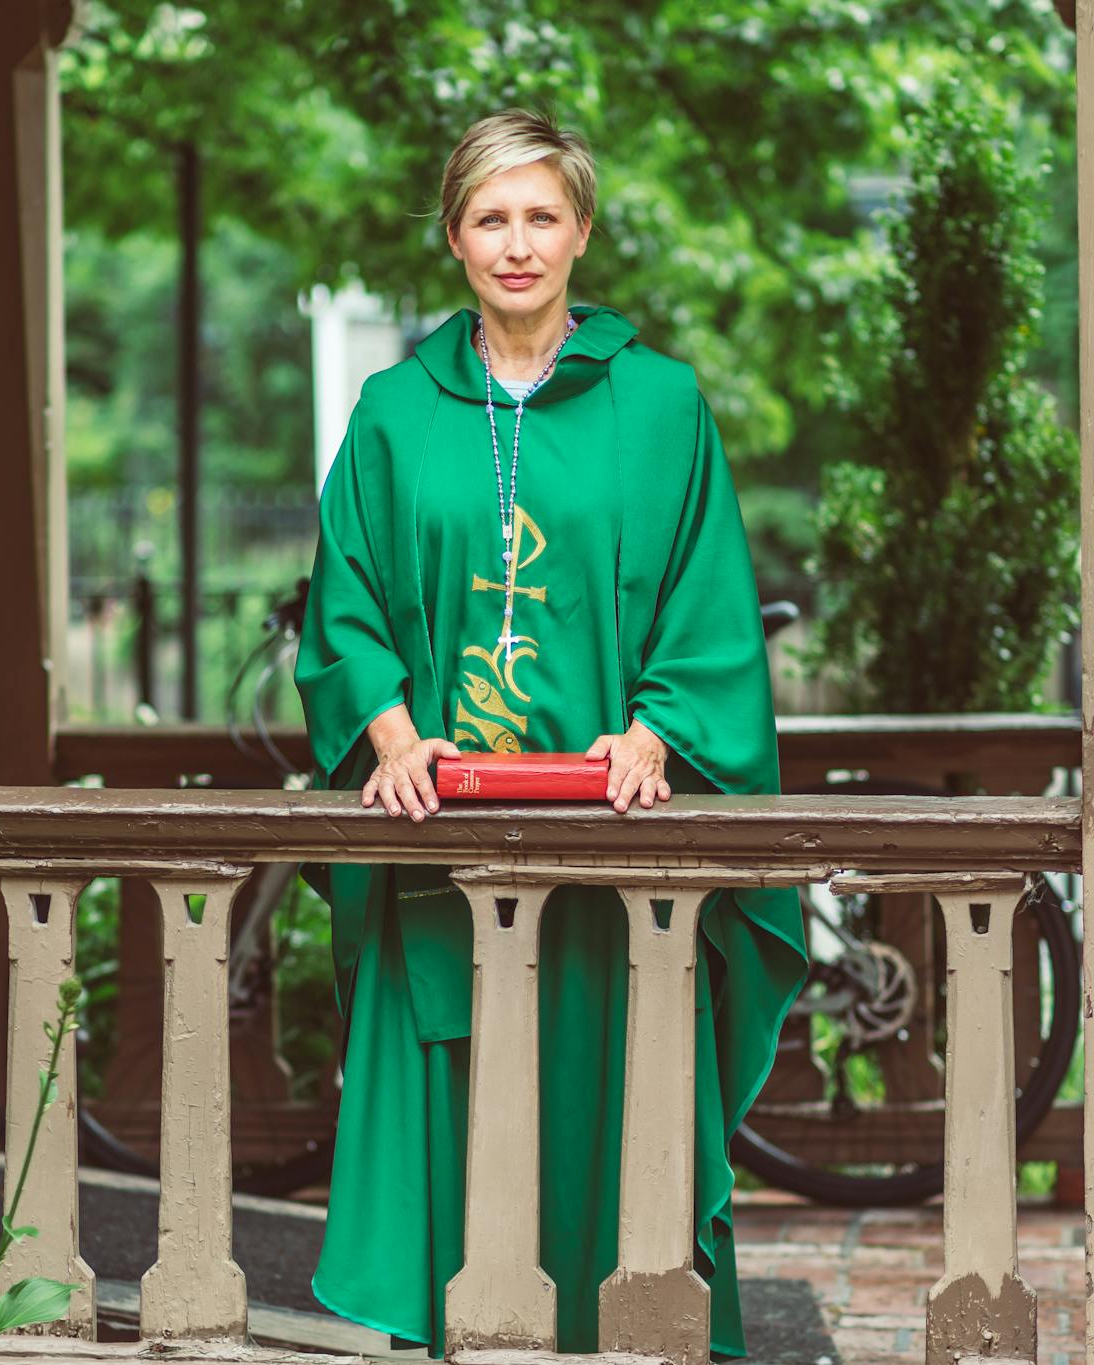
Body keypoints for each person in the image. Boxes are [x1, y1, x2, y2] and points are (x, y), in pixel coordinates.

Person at [292, 109, 807, 1362]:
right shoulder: (394, 411)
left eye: (539, 216)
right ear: (454, 240)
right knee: (458, 1131)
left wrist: (657, 730)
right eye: (488, 219)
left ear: (579, 230)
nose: (515, 244)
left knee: (613, 1104)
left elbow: (709, 607)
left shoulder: (663, 405)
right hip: (443, 843)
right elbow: (343, 593)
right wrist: (389, 730)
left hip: (611, 846)